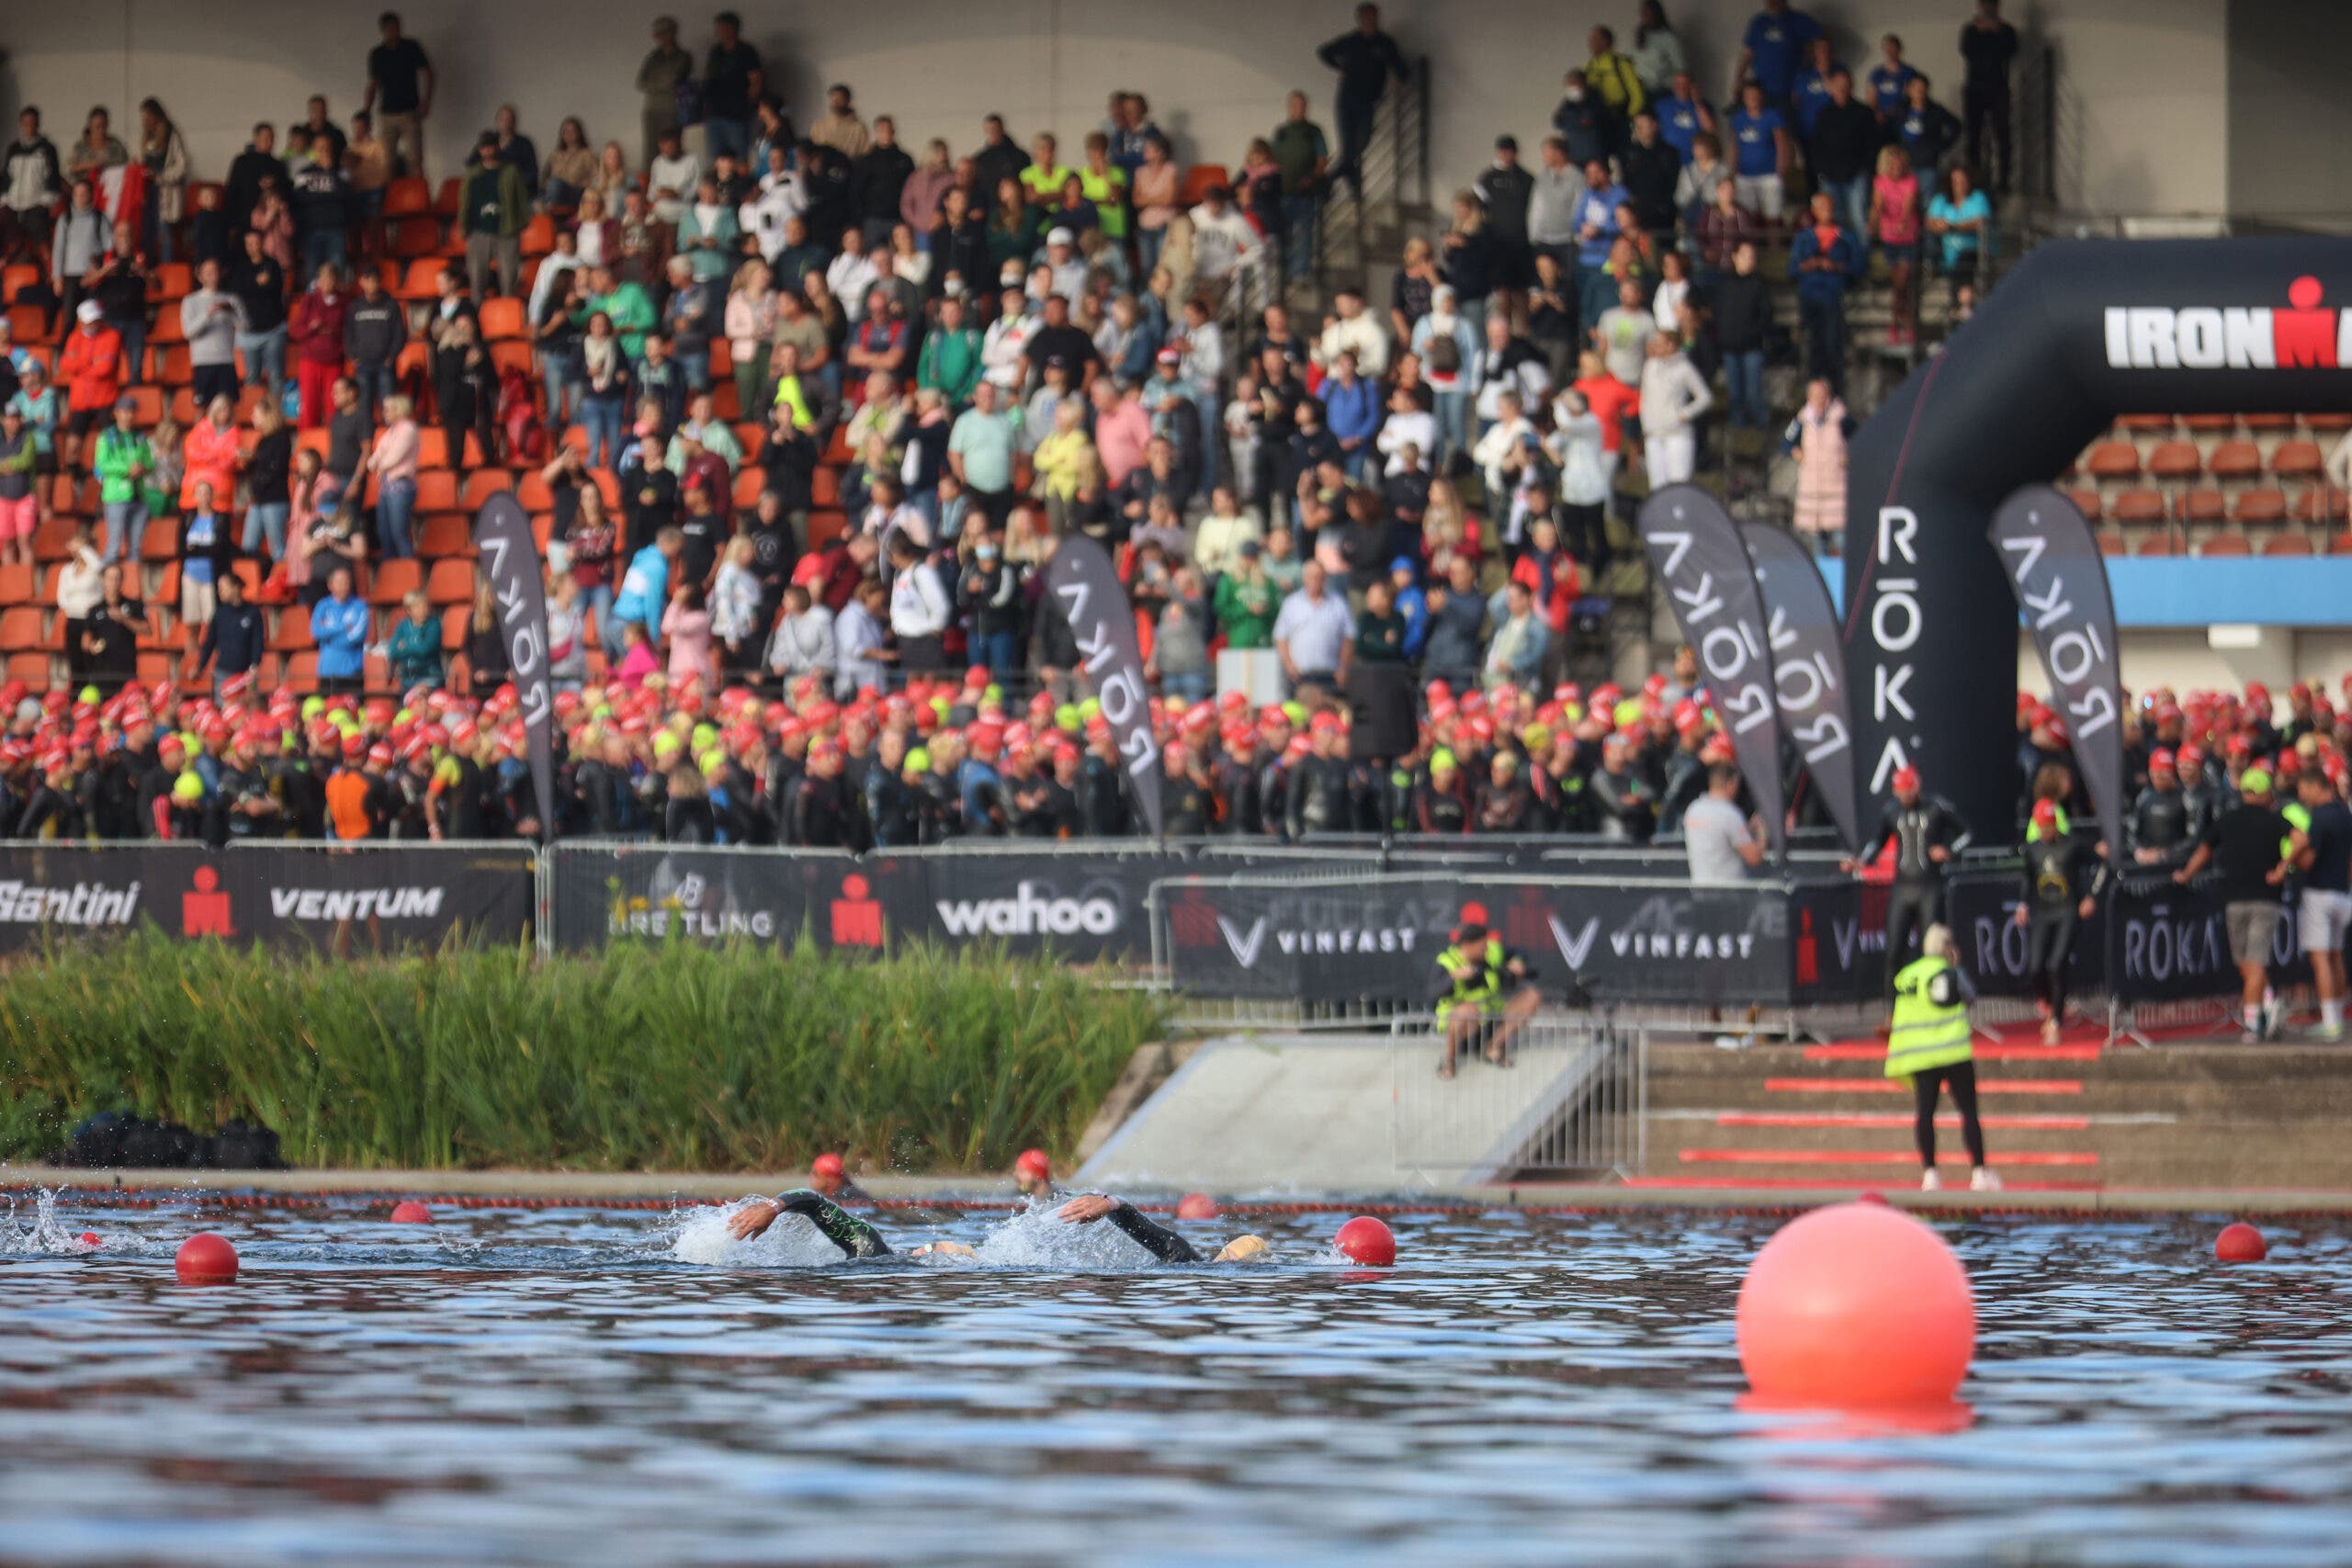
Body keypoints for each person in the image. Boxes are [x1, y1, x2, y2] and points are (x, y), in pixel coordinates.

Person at [2178, 767, 2293, 1041]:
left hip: (2237, 900)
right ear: (2264, 792)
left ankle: (2254, 1023)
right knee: (2247, 963)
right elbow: (2301, 838)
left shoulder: (2229, 819)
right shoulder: (2274, 819)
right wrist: (2283, 868)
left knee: (2249, 963)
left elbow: (2204, 848)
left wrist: (2186, 874)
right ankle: (2268, 1003)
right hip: (2263, 900)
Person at [1885, 924, 1997, 1192]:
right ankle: (1979, 1172)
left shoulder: (1909, 976)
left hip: (1922, 1055)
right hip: (1953, 1051)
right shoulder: (1949, 972)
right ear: (1946, 947)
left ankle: (1930, 1174)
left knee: (1925, 1113)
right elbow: (1970, 997)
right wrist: (1956, 966)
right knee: (1968, 1112)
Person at [1844, 763, 1969, 990]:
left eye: (1908, 792)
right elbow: (1878, 841)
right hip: (1902, 888)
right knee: (1894, 950)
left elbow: (1966, 833)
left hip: (1929, 887)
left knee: (1931, 949)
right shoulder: (1891, 811)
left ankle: (1934, 996)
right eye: (1900, 794)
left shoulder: (1936, 807)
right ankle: (1892, 1008)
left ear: (1916, 788)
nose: (1904, 798)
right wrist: (1862, 861)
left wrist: (1948, 850)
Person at [2016, 796, 2106, 1045]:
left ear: (2055, 825)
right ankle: (2051, 1002)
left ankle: (2056, 1021)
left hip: (2067, 910)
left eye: (2049, 827)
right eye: (2041, 827)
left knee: (2056, 963)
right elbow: (2027, 879)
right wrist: (2022, 905)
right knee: (2035, 966)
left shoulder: (2072, 845)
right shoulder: (2032, 848)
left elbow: (2102, 865)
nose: (2045, 832)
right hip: (2043, 910)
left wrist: (2092, 896)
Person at [1317, 4, 1409, 198]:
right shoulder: (1351, 41)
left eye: (1373, 18)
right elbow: (1324, 52)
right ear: (1359, 20)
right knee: (1349, 146)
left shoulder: (1385, 43)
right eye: (1366, 19)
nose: (1370, 22)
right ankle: (1352, 184)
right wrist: (1339, 66)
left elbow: (1400, 66)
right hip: (1347, 99)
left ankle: (1331, 178)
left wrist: (1400, 79)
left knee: (1361, 142)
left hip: (1368, 101)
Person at [1430, 919, 1540, 1078]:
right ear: (1467, 945)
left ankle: (1493, 1048)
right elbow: (1432, 994)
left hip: (1493, 1022)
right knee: (1467, 1009)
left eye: (1487, 944)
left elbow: (1520, 952)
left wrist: (1518, 962)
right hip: (1464, 1030)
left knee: (1532, 996)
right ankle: (1449, 1059)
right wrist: (1453, 978)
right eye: (1482, 946)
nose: (1486, 949)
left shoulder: (1493, 951)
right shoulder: (1447, 961)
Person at [360, 11, 435, 181]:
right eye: (390, 28)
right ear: (383, 30)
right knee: (387, 161)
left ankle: (418, 198)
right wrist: (366, 112)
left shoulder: (410, 47)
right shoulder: (378, 54)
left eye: (397, 27)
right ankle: (390, 200)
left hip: (409, 110)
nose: (394, 31)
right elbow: (373, 85)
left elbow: (429, 73)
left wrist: (426, 101)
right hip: (387, 112)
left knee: (415, 159)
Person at [1960, 0, 2019, 193]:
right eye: (1985, 5)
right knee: (1974, 135)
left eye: (1991, 5)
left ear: (1998, 7)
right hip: (1975, 88)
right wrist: (1983, 31)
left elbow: (2012, 50)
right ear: (1979, 7)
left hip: (1998, 88)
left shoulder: (2006, 30)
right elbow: (1966, 50)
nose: (1988, 9)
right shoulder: (1970, 30)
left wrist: (1996, 31)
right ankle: (1975, 179)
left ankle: (2003, 180)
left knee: (2002, 134)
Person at [1683, 762, 1765, 883]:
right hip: (1730, 893)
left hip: (1700, 889)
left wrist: (1748, 827)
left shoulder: (1693, 809)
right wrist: (1763, 831)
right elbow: (1754, 858)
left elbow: (1718, 834)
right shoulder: (1730, 814)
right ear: (1731, 784)